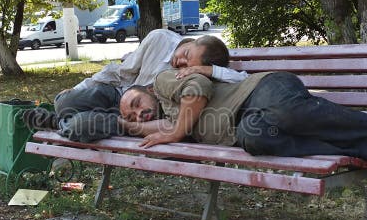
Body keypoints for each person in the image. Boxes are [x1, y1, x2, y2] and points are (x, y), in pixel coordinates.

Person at [117, 42, 367, 188]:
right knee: (257, 139)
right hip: (246, 123)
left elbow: (197, 90)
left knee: (287, 113)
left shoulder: (166, 80)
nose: (138, 112)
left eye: (185, 56)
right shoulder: (164, 114)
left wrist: (176, 132)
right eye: (133, 113)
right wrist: (128, 123)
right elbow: (149, 124)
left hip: (265, 91)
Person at [21, 30, 247, 142]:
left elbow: (242, 79)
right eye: (185, 55)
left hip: (140, 118)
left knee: (78, 127)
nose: (181, 63)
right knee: (66, 102)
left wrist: (206, 70)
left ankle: (56, 122)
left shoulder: (198, 72)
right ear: (195, 40)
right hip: (122, 95)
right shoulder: (159, 39)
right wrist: (79, 87)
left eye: (189, 65)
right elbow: (121, 71)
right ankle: (60, 116)